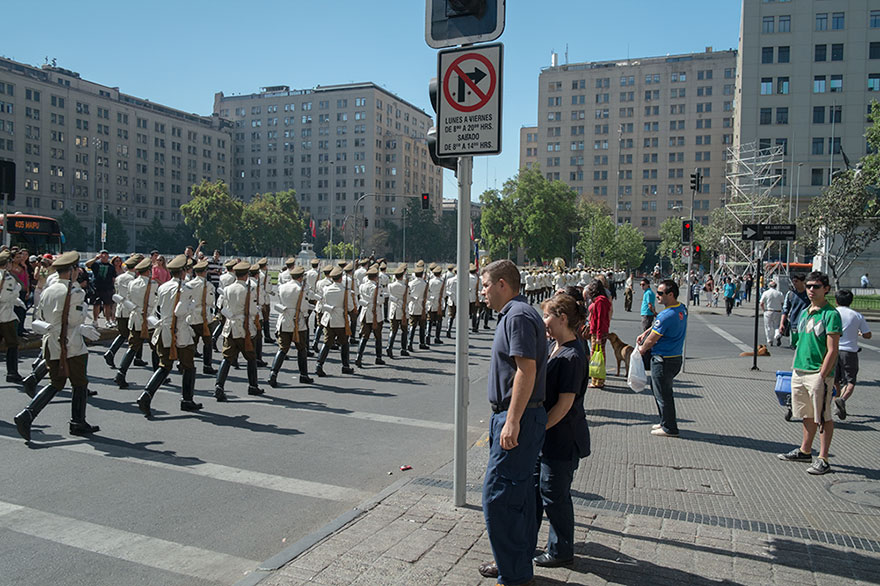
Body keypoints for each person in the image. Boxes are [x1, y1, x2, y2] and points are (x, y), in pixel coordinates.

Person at [477, 259, 548, 586]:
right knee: (516, 496)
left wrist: (513, 421)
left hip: (516, 414)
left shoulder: (518, 315)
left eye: (486, 284)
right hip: (515, 414)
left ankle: (514, 575)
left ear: (503, 283)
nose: (483, 291)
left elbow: (526, 370)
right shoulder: (520, 312)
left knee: (499, 497)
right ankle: (515, 565)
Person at [14, 252, 100, 441]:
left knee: (56, 383)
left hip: (51, 343)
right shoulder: (75, 292)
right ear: (71, 271)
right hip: (71, 345)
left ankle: (27, 415)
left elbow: (40, 317)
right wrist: (82, 326)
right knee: (79, 383)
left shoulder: (48, 290)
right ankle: (77, 422)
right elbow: (75, 319)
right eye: (76, 269)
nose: (78, 272)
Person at [533, 293, 590, 569]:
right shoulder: (555, 346)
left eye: (547, 316)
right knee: (546, 491)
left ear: (563, 318)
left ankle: (561, 549)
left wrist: (538, 429)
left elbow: (565, 404)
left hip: (562, 438)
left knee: (555, 495)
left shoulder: (571, 355)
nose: (544, 322)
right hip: (552, 437)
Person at [777, 271, 841, 475]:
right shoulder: (806, 312)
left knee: (822, 416)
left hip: (817, 373)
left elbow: (833, 349)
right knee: (806, 414)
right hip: (800, 369)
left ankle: (823, 458)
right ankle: (805, 450)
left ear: (826, 289)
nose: (811, 289)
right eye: (809, 285)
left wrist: (823, 375)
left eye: (816, 286)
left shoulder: (831, 314)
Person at [137, 254, 201, 417]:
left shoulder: (163, 287)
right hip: (180, 330)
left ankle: (146, 394)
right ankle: (187, 400)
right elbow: (182, 312)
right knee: (189, 366)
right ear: (183, 271)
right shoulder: (186, 288)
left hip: (164, 330)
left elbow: (157, 310)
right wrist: (191, 305)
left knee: (164, 366)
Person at [637, 279, 687, 437]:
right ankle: (664, 421)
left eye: (660, 293)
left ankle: (669, 428)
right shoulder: (681, 309)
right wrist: (646, 332)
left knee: (662, 394)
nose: (657, 296)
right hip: (675, 357)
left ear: (670, 294)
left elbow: (652, 340)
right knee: (663, 392)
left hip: (663, 359)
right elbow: (658, 326)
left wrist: (641, 349)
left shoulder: (666, 315)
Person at [214, 262, 263, 400]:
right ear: (246, 274)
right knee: (251, 357)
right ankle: (253, 386)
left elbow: (222, 306)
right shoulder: (249, 289)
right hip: (244, 327)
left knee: (227, 358)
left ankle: (219, 385)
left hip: (230, 326)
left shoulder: (228, 289)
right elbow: (252, 310)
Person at [114, 258, 159, 389]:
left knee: (133, 347)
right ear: (148, 271)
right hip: (148, 319)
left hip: (135, 319)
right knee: (155, 346)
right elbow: (154, 302)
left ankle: (121, 373)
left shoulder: (132, 283)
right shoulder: (153, 284)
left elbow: (128, 300)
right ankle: (157, 374)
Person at [268, 263, 314, 386]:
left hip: (284, 321)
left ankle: (273, 373)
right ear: (300, 277)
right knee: (301, 349)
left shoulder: (282, 287)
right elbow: (304, 308)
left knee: (282, 349)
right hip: (297, 322)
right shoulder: (300, 289)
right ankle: (303, 375)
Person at [832, 289, 872, 421]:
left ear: (836, 301)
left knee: (834, 380)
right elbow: (868, 335)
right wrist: (859, 333)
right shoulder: (857, 315)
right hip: (849, 351)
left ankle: (836, 401)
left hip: (833, 350)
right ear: (851, 301)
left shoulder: (832, 313)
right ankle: (842, 399)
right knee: (850, 381)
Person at [315, 266, 355, 377]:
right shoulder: (344, 291)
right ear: (341, 278)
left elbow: (322, 303)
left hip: (328, 319)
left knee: (327, 343)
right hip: (340, 320)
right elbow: (350, 307)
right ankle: (345, 366)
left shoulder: (326, 289)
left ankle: (319, 364)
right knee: (344, 344)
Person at [103, 255, 141, 369]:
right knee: (135, 335)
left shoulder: (120, 277)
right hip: (130, 310)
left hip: (121, 309)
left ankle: (113, 353)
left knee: (124, 334)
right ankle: (129, 358)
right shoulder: (133, 280)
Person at [186, 259, 217, 375]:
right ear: (204, 272)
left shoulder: (188, 285)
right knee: (207, 343)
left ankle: (185, 364)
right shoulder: (208, 285)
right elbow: (210, 301)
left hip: (191, 316)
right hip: (203, 317)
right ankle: (207, 365)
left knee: (191, 343)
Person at [0, 250, 25, 382]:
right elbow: (4, 297)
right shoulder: (7, 278)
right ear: (7, 263)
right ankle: (12, 373)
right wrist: (17, 290)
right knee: (12, 344)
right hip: (5, 316)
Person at [355, 265, 386, 368]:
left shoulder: (362, 286)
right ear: (375, 277)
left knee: (364, 337)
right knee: (378, 337)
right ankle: (378, 357)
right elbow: (380, 301)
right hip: (375, 314)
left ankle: (358, 357)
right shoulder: (377, 287)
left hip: (365, 313)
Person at [586, 279, 611, 389]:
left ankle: (598, 380)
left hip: (598, 331)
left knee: (597, 356)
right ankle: (597, 379)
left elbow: (600, 318)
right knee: (598, 355)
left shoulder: (600, 301)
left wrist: (599, 336)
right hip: (598, 330)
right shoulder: (601, 299)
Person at [386, 265, 410, 358]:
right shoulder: (405, 286)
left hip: (394, 310)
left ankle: (389, 346)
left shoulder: (390, 285)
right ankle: (403, 349)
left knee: (393, 330)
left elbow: (390, 296)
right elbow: (408, 299)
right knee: (404, 331)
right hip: (403, 310)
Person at [780, 273, 809, 349]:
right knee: (794, 346)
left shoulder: (809, 294)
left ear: (803, 282)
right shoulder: (790, 294)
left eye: (796, 281)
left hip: (807, 324)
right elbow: (785, 309)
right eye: (793, 281)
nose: (794, 283)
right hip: (794, 324)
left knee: (804, 347)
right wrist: (782, 323)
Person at [759, 279, 784, 347]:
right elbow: (782, 303)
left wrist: (764, 310)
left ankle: (769, 340)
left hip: (768, 310)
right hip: (777, 311)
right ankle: (777, 334)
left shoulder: (766, 293)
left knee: (768, 326)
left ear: (769, 286)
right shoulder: (779, 293)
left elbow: (761, 303)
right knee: (776, 325)